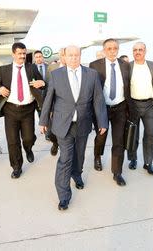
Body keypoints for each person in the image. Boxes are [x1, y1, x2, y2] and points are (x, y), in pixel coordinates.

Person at [39, 45, 108, 211]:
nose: (74, 58)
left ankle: (77, 174)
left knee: (79, 155)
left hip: (83, 123)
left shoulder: (92, 75)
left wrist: (102, 122)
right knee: (66, 158)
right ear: (64, 56)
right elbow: (48, 99)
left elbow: (98, 100)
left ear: (80, 56)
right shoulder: (56, 75)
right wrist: (43, 121)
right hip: (63, 125)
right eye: (70, 55)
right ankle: (63, 196)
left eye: (76, 55)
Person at [0, 42, 45, 179]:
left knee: (28, 138)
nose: (22, 56)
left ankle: (28, 148)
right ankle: (16, 166)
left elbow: (43, 83)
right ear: (13, 54)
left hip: (28, 110)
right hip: (10, 110)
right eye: (20, 54)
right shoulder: (4, 70)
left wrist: (42, 83)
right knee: (13, 141)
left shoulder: (31, 68)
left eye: (24, 53)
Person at [89, 39, 130, 186]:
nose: (112, 51)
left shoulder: (125, 65)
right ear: (104, 50)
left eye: (115, 48)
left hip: (120, 108)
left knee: (119, 141)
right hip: (102, 108)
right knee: (101, 136)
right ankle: (97, 156)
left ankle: (117, 172)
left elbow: (129, 87)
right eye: (109, 49)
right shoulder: (95, 66)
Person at [127, 42, 153, 175]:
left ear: (145, 51)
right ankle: (133, 159)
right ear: (133, 52)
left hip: (150, 105)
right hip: (133, 105)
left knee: (150, 134)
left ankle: (148, 163)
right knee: (133, 134)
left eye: (140, 50)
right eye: (135, 50)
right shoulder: (128, 66)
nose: (138, 52)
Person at [44, 47, 67, 156]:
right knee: (52, 132)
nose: (64, 57)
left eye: (65, 55)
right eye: (62, 55)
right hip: (55, 106)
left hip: (69, 108)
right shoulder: (52, 68)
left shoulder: (76, 69)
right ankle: (55, 144)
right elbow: (48, 88)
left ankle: (65, 152)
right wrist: (48, 108)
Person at [33, 50, 48, 117]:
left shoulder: (49, 67)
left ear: (43, 57)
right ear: (34, 58)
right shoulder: (31, 68)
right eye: (37, 57)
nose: (38, 58)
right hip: (35, 96)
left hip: (46, 95)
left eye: (40, 56)